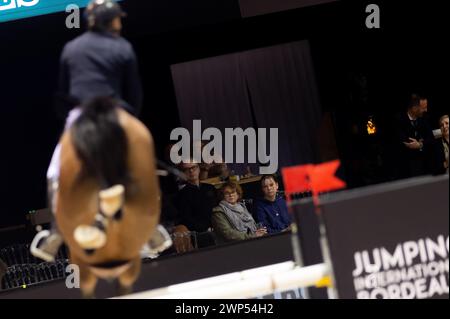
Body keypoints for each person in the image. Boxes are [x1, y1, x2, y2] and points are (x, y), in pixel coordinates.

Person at [58, 0, 143, 117]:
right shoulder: (122, 46)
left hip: (80, 116)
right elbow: (134, 93)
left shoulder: (70, 47)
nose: (120, 24)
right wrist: (132, 118)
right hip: (113, 112)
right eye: (117, 18)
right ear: (110, 21)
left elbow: (63, 93)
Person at [174, 160, 217, 248]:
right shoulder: (182, 195)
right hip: (200, 234)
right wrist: (205, 229)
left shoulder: (210, 188)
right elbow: (186, 219)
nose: (191, 171)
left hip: (218, 227)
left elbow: (218, 208)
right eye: (187, 169)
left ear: (199, 169)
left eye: (193, 167)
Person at [393, 94, 435, 178]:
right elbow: (404, 142)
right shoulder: (398, 120)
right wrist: (421, 141)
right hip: (404, 168)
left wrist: (420, 144)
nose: (426, 110)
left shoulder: (425, 118)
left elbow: (431, 139)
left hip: (424, 166)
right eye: (424, 108)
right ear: (414, 108)